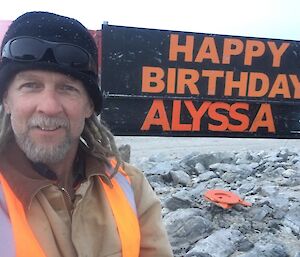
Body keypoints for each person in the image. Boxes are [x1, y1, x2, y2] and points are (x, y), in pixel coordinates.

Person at [0, 11, 173, 257]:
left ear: (89, 106)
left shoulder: (130, 184)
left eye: (67, 88)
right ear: (6, 99)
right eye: (31, 86)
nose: (49, 106)